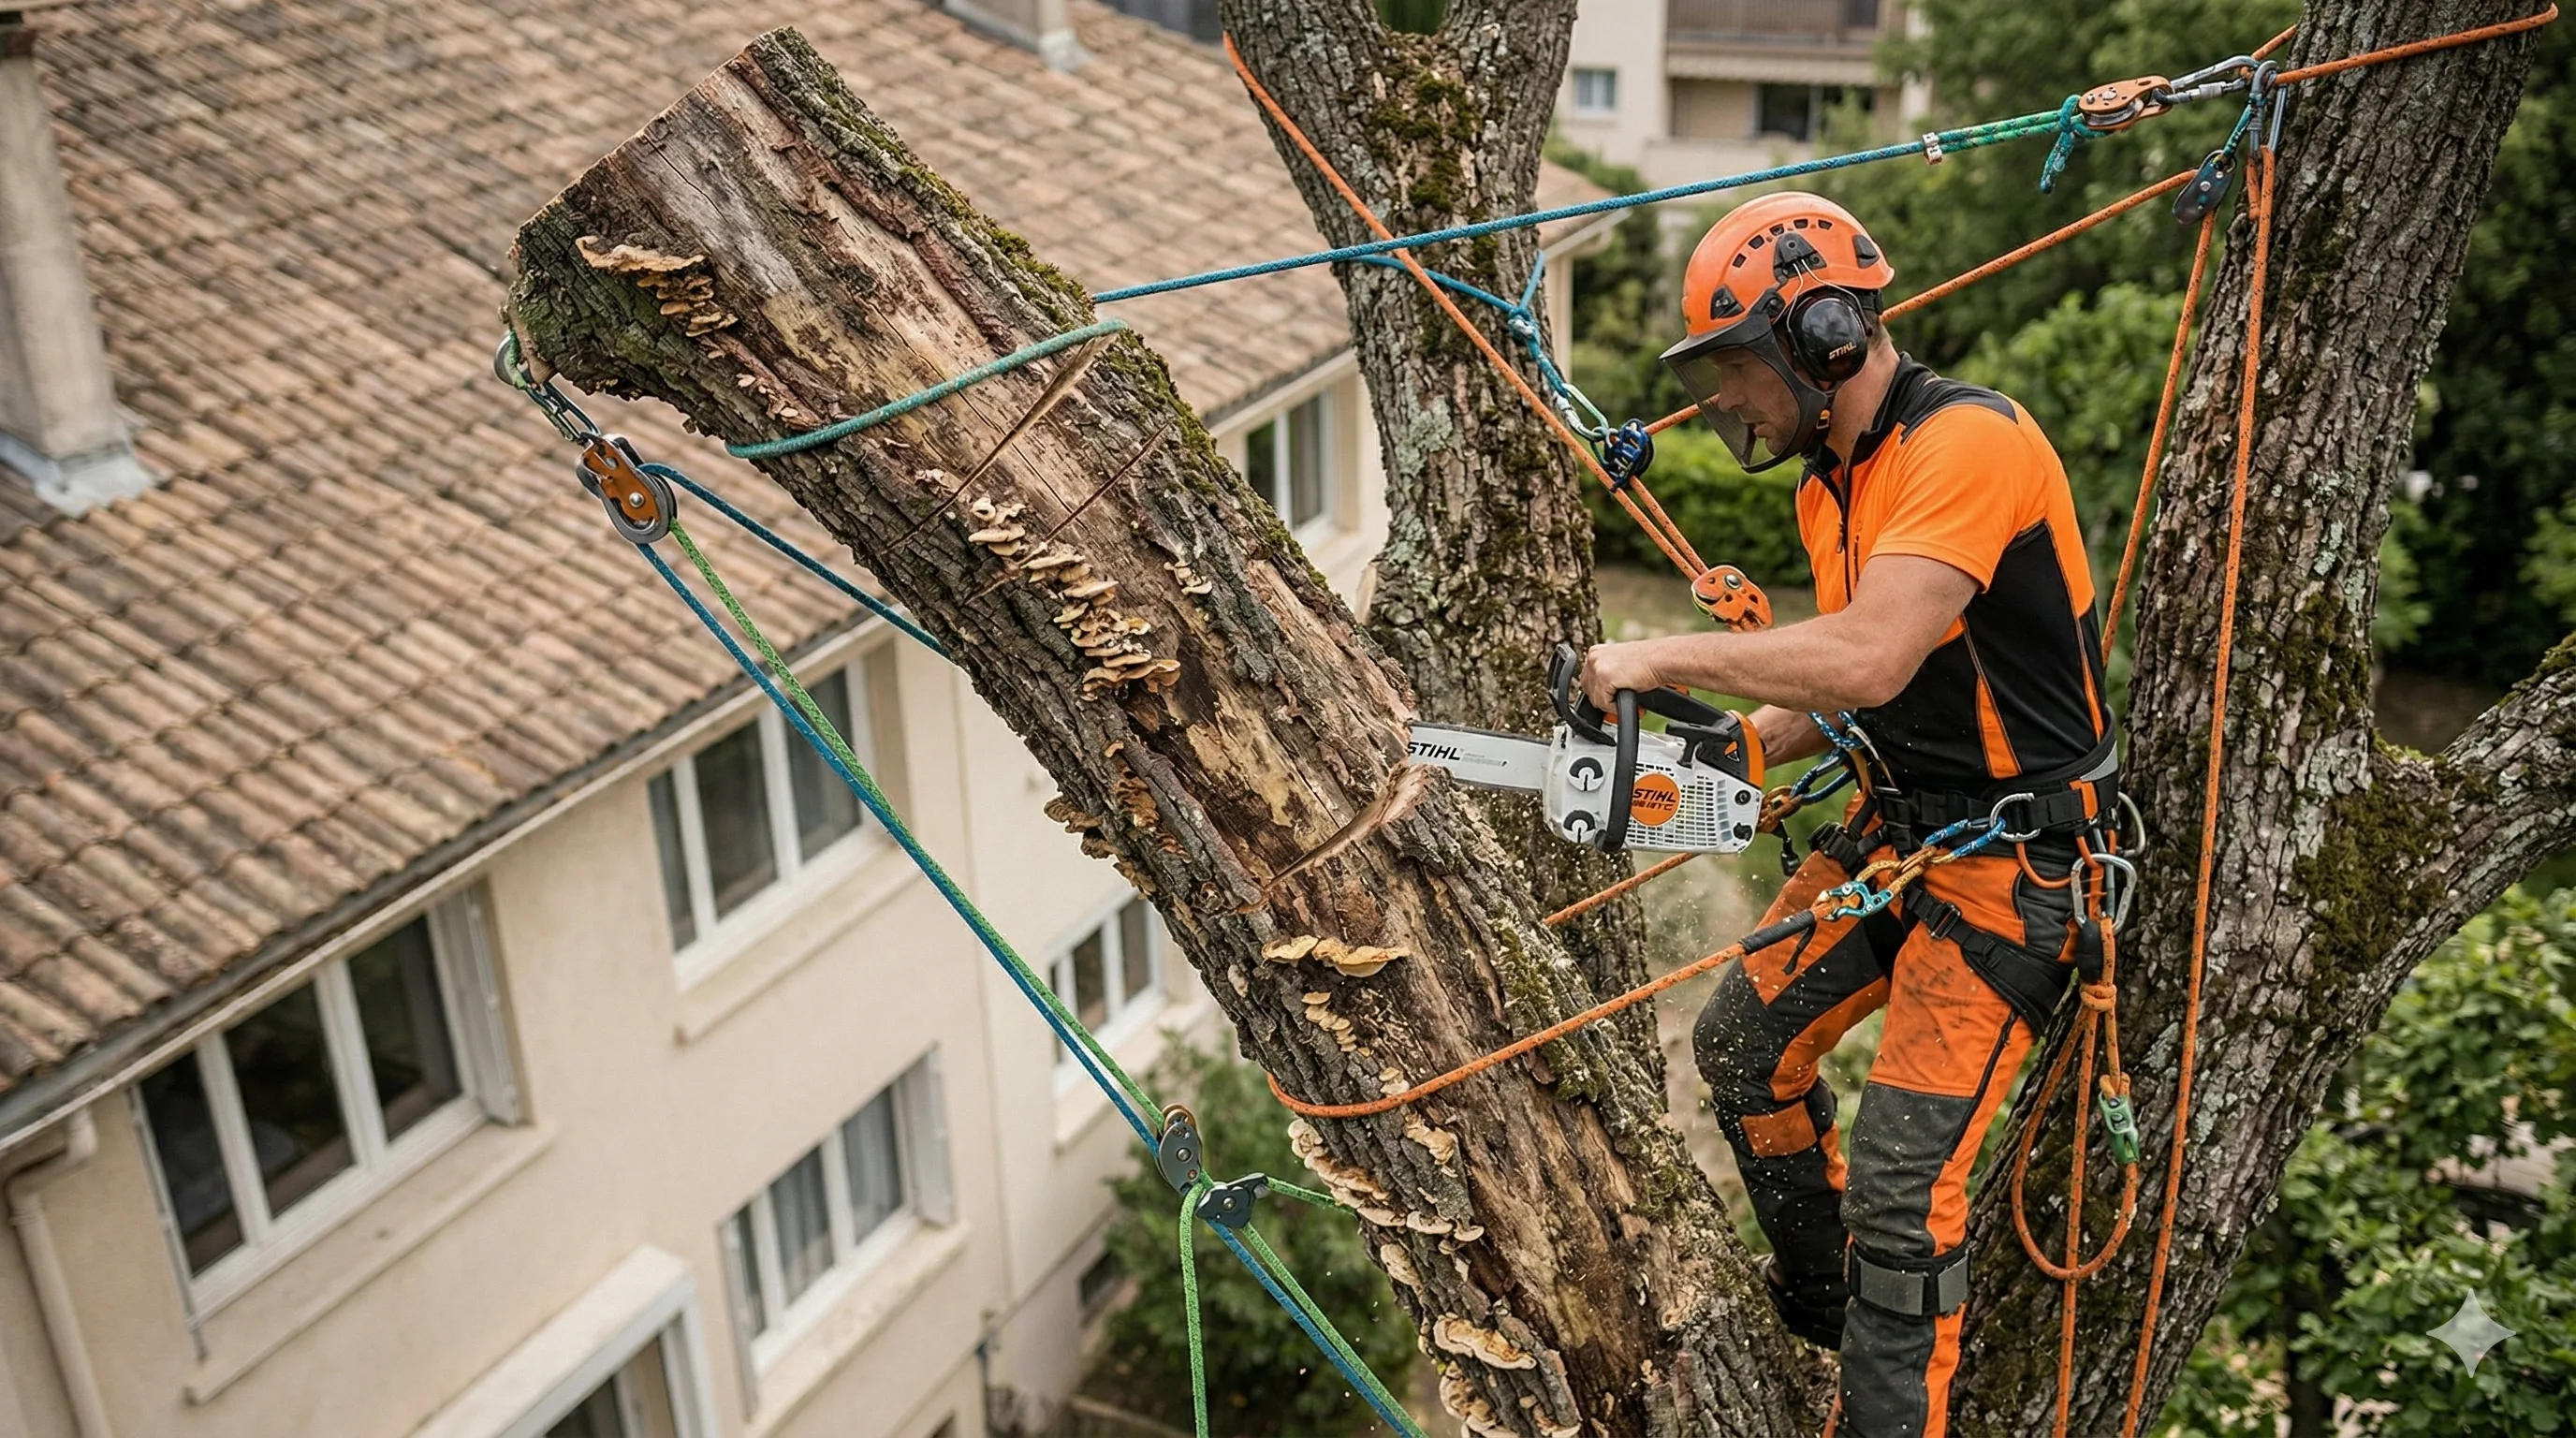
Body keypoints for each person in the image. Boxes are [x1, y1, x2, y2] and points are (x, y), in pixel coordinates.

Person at [1580, 192, 2122, 1438]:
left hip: (2016, 867)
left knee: (1901, 1189)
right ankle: (1822, 1313)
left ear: (1823, 335)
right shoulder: (1829, 494)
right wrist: (1710, 764)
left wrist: (1656, 659)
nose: (1723, 405)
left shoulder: (1970, 448)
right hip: (1900, 835)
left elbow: (1872, 658)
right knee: (1741, 1049)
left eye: (1735, 372)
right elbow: (1845, 699)